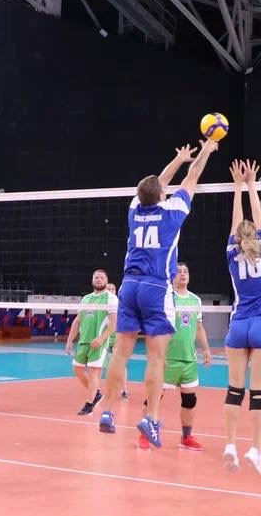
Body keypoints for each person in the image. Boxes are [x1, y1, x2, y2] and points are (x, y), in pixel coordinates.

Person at [96, 139, 219, 446]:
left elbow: (156, 183)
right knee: (156, 357)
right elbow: (192, 177)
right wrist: (205, 150)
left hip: (128, 286)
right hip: (155, 287)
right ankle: (151, 419)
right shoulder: (172, 212)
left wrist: (177, 159)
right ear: (162, 195)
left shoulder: (134, 208)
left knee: (120, 352)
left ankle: (107, 411)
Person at [221, 160, 261, 473]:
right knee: (258, 394)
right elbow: (258, 216)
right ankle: (255, 450)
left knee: (234, 390)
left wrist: (237, 188)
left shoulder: (232, 253)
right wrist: (252, 184)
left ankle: (230, 444)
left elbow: (237, 222)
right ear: (256, 235)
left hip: (238, 324)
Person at [140, 262, 211, 452]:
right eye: (179, 272)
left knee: (190, 400)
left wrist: (206, 349)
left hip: (189, 359)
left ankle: (186, 437)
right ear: (172, 276)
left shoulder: (195, 300)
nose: (183, 274)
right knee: (154, 398)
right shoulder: (166, 298)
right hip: (167, 358)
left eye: (185, 271)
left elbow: (198, 326)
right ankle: (144, 435)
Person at [63, 269, 116, 416]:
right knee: (77, 369)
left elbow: (114, 323)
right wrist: (69, 340)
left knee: (94, 372)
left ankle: (89, 404)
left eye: (101, 278)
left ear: (106, 280)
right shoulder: (86, 299)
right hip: (83, 340)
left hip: (98, 341)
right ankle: (96, 394)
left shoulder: (110, 298)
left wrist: (101, 338)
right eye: (96, 277)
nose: (98, 280)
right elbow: (77, 321)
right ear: (92, 280)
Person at [102, 281, 129, 400]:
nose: (111, 291)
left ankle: (124, 390)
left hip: (118, 338)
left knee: (120, 365)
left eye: (112, 289)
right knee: (101, 365)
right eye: (108, 289)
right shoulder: (102, 304)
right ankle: (100, 390)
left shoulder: (121, 304)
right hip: (104, 339)